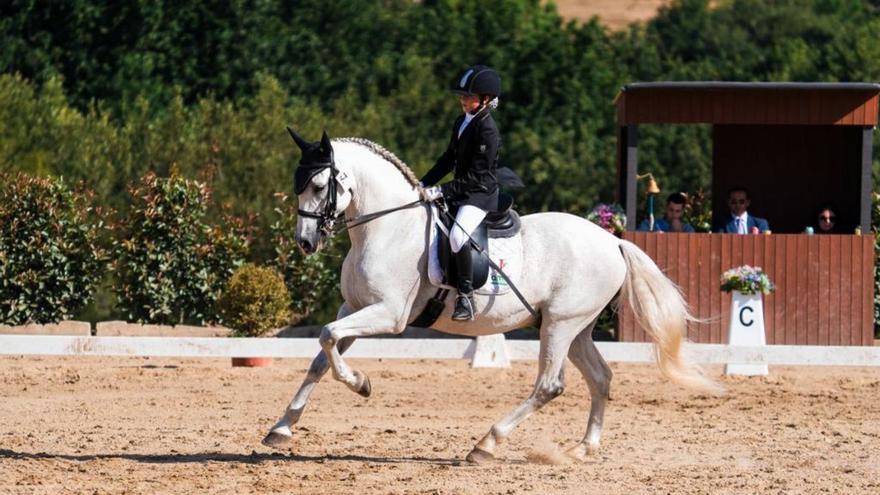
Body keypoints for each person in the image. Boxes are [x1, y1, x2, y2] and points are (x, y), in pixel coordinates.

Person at [420, 65, 502, 321]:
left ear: (485, 100)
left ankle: (466, 297)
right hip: (461, 190)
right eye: (462, 96)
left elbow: (477, 176)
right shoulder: (462, 121)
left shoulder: (487, 129)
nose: (462, 99)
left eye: (469, 96)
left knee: (457, 236)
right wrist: (422, 183)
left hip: (479, 194)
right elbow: (448, 160)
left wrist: (441, 190)